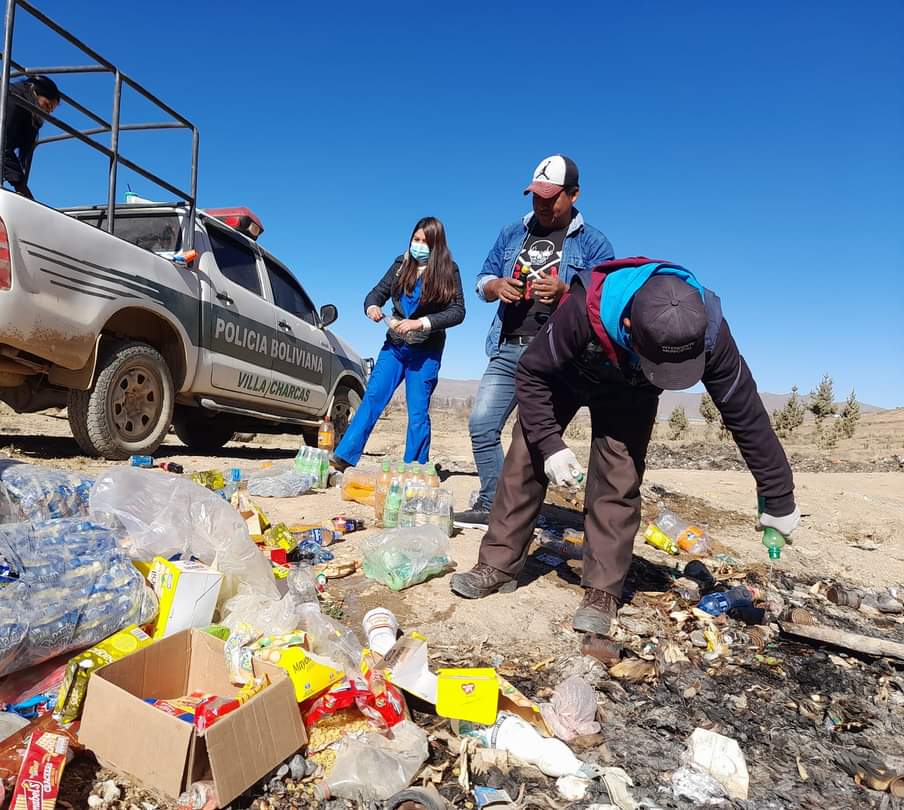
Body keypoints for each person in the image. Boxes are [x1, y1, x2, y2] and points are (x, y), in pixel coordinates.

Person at [450, 258, 800, 636]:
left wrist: (779, 496)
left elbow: (744, 411)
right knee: (527, 451)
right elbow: (532, 372)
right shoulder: (585, 306)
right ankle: (499, 564)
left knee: (619, 475)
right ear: (629, 326)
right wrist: (552, 445)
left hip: (632, 390)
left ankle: (602, 590)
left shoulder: (709, 329)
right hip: (566, 373)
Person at [453, 155, 614, 529]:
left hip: (556, 355)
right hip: (509, 346)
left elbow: (604, 301)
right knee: (481, 425)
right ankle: (493, 503)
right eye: (535, 196)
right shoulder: (512, 233)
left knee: (530, 438)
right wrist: (495, 286)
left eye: (551, 197)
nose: (541, 204)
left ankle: (518, 517)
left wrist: (566, 293)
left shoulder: (593, 243)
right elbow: (483, 277)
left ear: (573, 195)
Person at [331, 217, 465, 471]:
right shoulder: (400, 265)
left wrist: (421, 323)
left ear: (437, 245)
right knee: (373, 397)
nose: (419, 246)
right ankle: (344, 457)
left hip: (426, 350)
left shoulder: (449, 270)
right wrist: (372, 307)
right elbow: (376, 294)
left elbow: (458, 311)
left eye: (426, 242)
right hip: (394, 346)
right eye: (416, 239)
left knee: (417, 411)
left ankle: (414, 468)